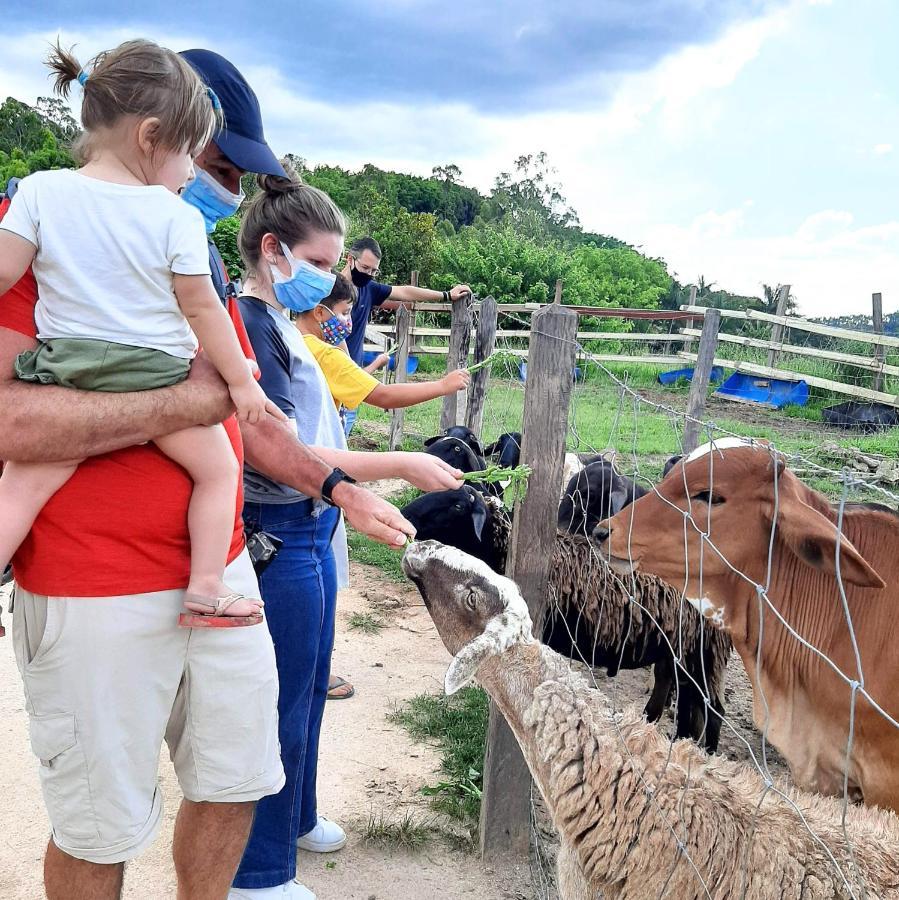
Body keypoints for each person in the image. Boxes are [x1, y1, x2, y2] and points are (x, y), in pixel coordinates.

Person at [0, 46, 425, 900]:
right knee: (98, 823)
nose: (222, 186)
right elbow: (11, 415)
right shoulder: (45, 224)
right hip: (91, 582)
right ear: (163, 135)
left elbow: (250, 414)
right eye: (219, 165)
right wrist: (189, 405)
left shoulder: (188, 247)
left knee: (236, 778)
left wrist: (336, 488)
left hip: (221, 573)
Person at [229, 173, 462, 900]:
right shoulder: (251, 329)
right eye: (324, 264)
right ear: (275, 251)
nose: (336, 282)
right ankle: (257, 874)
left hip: (311, 525)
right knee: (278, 700)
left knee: (305, 691)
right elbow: (280, 447)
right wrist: (395, 464)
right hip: (278, 526)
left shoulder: (286, 330)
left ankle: (293, 817)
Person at [0, 41, 285, 626]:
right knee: (218, 470)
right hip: (152, 369)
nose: (189, 173)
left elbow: (5, 270)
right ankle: (207, 585)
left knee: (23, 484)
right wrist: (241, 384)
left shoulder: (35, 191)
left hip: (65, 368)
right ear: (151, 137)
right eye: (189, 156)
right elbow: (202, 311)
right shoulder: (174, 216)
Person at [340, 236, 472, 434]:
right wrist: (376, 363)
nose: (369, 274)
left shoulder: (368, 289)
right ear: (350, 259)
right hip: (332, 377)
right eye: (365, 268)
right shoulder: (329, 290)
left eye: (374, 271)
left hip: (351, 382)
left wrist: (445, 295)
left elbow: (404, 291)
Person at [299, 272, 471, 421]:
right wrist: (442, 386)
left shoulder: (289, 338)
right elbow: (383, 395)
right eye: (345, 312)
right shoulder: (326, 355)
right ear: (319, 312)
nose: (348, 320)